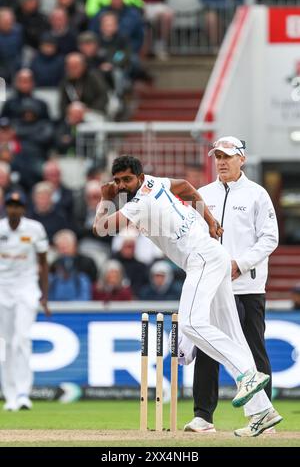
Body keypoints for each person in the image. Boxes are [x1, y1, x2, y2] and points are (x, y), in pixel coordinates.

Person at [93, 155, 282, 437]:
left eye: (127, 180)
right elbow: (183, 186)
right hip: (213, 256)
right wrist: (210, 219)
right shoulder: (156, 183)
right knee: (232, 333)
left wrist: (104, 199)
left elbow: (102, 228)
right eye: (117, 181)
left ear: (140, 178)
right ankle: (262, 412)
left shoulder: (140, 202)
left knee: (192, 324)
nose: (121, 185)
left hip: (202, 259)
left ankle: (247, 373)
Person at [184, 136, 279, 434]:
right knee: (208, 347)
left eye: (227, 156)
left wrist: (241, 264)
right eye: (218, 157)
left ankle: (262, 417)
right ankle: (203, 417)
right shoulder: (203, 193)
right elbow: (193, 238)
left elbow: (269, 238)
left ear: (241, 159)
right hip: (212, 284)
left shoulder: (257, 194)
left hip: (247, 285)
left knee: (253, 350)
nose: (221, 162)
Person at [0, 190, 50, 411]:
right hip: (2, 287)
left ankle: (22, 393)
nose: (14, 209)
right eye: (10, 205)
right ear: (6, 207)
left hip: (27, 287)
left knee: (23, 338)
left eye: (17, 206)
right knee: (6, 343)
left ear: (23, 209)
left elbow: (44, 263)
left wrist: (45, 296)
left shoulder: (34, 229)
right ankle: (9, 395)